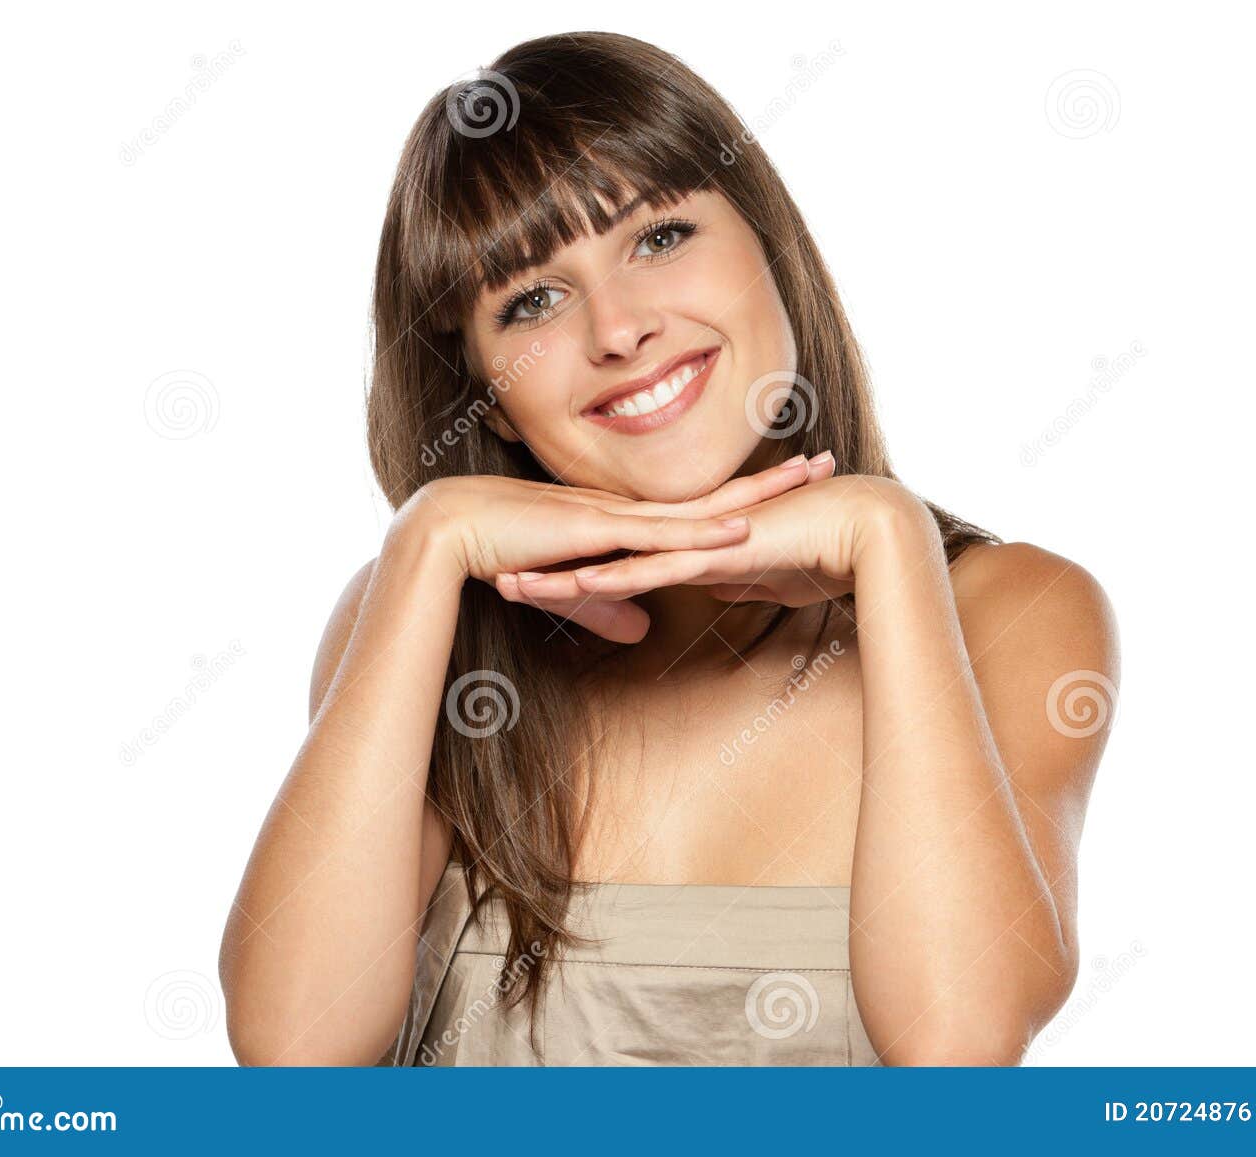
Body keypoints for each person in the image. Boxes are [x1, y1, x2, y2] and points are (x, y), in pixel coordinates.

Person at [219, 31, 1121, 1066]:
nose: (619, 328)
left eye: (657, 237)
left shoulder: (1009, 610)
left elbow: (958, 1048)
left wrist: (888, 544)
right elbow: (292, 1058)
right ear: (484, 396)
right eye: (532, 300)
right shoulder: (422, 618)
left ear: (768, 243)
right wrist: (424, 542)